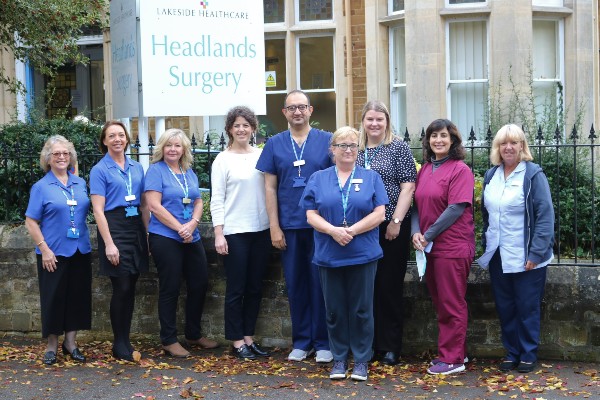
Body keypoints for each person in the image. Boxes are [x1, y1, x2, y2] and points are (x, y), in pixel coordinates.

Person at [300, 126, 388, 381]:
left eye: (353, 145)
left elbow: (380, 213)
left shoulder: (371, 177)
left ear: (358, 150)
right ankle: (339, 358)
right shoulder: (318, 178)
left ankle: (361, 360)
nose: (348, 150)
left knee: (362, 309)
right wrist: (334, 231)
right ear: (333, 150)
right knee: (334, 310)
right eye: (342, 145)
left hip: (363, 253)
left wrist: (351, 231)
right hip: (329, 253)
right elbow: (310, 214)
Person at [256, 90, 333, 363]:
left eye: (302, 107)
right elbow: (269, 186)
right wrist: (274, 227)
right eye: (292, 108)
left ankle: (324, 342)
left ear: (311, 110)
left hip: (322, 227)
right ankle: (302, 341)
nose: (297, 112)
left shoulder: (327, 141)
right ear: (284, 113)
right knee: (296, 284)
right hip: (289, 225)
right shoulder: (274, 144)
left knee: (320, 284)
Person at [478, 124, 554, 374]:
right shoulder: (492, 175)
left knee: (526, 306)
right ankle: (512, 352)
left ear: (523, 146)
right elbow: (487, 214)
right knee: (505, 306)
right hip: (498, 253)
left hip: (525, 255)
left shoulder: (533, 175)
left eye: (514, 142)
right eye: (503, 143)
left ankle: (528, 354)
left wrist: (536, 253)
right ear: (497, 148)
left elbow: (544, 217)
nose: (508, 147)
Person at [145, 128, 217, 358]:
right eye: (168, 145)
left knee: (199, 283)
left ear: (184, 149)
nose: (173, 149)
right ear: (162, 149)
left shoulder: (188, 172)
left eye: (177, 145)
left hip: (191, 235)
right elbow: (154, 206)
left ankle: (193, 333)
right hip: (166, 237)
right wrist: (179, 228)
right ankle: (168, 339)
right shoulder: (156, 171)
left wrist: (193, 223)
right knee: (170, 287)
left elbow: (198, 200)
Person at [411, 118, 475, 375]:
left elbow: (456, 208)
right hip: (430, 247)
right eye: (434, 135)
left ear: (453, 141)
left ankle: (452, 360)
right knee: (441, 302)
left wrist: (428, 235)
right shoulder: (425, 169)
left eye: (444, 136)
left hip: (452, 247)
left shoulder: (460, 170)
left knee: (451, 303)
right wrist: (416, 232)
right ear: (428, 141)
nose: (438, 140)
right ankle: (457, 352)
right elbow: (416, 205)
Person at [356, 101, 416, 366]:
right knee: (363, 288)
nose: (375, 124)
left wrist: (396, 220)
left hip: (390, 226)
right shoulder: (355, 149)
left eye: (379, 119)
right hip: (360, 228)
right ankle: (367, 345)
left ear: (387, 121)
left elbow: (408, 187)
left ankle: (390, 346)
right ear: (363, 121)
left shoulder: (398, 147)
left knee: (388, 286)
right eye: (370, 119)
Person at [210, 106, 271, 360]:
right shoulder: (222, 160)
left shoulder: (262, 155)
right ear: (229, 130)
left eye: (246, 125)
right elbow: (217, 199)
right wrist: (218, 233)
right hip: (235, 232)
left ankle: (249, 337)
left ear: (253, 128)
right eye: (237, 125)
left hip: (261, 230)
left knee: (255, 287)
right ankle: (236, 342)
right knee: (236, 289)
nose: (242, 129)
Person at [25, 135, 91, 366]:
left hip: (80, 249)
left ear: (71, 156)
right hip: (53, 252)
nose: (62, 157)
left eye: (65, 153)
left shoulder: (79, 183)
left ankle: (71, 343)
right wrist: (44, 249)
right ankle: (52, 345)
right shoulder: (41, 187)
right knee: (53, 299)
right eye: (56, 154)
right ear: (48, 159)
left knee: (77, 298)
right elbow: (31, 221)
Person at [90, 121, 149, 362]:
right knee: (121, 286)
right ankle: (119, 343)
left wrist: (146, 234)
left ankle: (125, 340)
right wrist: (109, 244)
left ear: (127, 139)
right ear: (104, 141)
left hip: (134, 226)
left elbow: (144, 204)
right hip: (113, 227)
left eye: (121, 135)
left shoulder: (136, 167)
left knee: (131, 286)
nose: (117, 139)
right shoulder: (99, 170)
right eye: (111, 136)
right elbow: (97, 210)